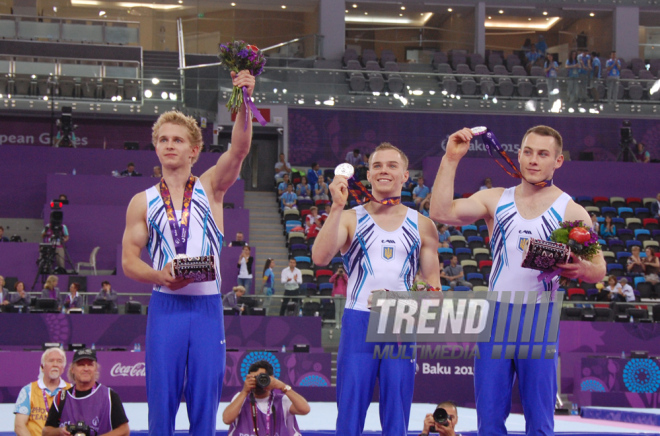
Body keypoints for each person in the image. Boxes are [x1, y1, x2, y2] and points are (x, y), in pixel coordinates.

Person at [429, 126, 606, 435]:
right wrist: (451, 159)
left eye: (543, 154)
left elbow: (598, 270)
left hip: (539, 317)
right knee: (489, 418)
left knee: (539, 421)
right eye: (527, 152)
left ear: (558, 161)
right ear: (519, 155)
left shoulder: (571, 211)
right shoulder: (496, 199)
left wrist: (577, 267)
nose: (533, 160)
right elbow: (441, 211)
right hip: (496, 317)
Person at [121, 70, 255, 435]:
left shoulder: (211, 187)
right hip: (166, 307)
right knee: (160, 402)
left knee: (203, 400)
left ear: (194, 149)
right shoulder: (142, 201)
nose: (169, 145)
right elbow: (129, 260)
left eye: (178, 140)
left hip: (207, 308)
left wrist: (243, 99)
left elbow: (239, 148)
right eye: (163, 139)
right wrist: (156, 275)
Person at [312, 142, 441, 436]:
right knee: (350, 412)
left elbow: (435, 293)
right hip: (359, 320)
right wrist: (336, 206)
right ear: (368, 175)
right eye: (377, 166)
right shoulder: (349, 218)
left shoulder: (423, 225)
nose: (384, 171)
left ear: (405, 175)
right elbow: (320, 258)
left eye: (392, 165)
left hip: (400, 323)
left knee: (397, 414)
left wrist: (406, 300)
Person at [43, 348, 129, 436]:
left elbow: (124, 430)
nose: (86, 368)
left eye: (90, 365)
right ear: (72, 369)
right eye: (81, 365)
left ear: (96, 368)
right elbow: (46, 431)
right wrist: (59, 431)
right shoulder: (62, 397)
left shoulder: (109, 396)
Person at [222, 360, 310, 435]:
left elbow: (305, 409)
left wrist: (283, 386)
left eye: (261, 377)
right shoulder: (241, 398)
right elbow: (226, 419)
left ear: (271, 378)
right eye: (254, 378)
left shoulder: (282, 400)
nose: (258, 382)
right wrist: (244, 391)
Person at [14, 347, 71, 436]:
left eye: (59, 361)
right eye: (51, 361)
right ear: (42, 367)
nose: (55, 364)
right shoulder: (28, 390)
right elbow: (19, 426)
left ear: (63, 368)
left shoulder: (71, 391)